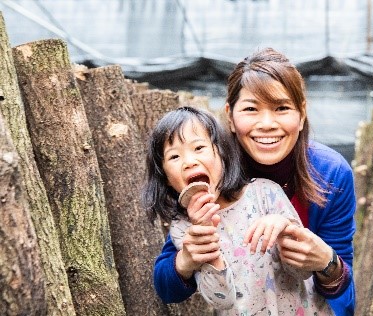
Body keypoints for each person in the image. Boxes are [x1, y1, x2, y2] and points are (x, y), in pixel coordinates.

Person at [152, 48, 357, 316]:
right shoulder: (214, 167)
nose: (267, 123)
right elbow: (169, 280)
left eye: (282, 108)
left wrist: (327, 263)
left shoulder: (331, 173)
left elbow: (344, 288)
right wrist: (185, 261)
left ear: (302, 113)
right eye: (251, 108)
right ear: (231, 115)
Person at [143, 106, 334, 315]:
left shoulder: (266, 193)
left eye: (199, 148)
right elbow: (221, 301)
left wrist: (284, 230)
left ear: (223, 154)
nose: (189, 162)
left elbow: (303, 271)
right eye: (174, 157)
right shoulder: (185, 231)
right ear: (166, 179)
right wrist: (206, 250)